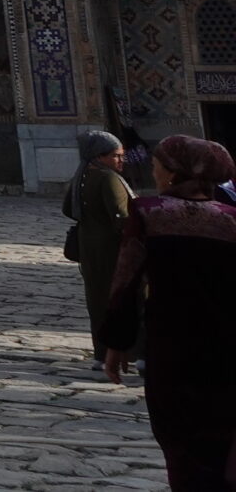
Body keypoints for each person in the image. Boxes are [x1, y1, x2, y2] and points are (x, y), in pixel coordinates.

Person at [102, 134, 236, 492]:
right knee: (222, 444)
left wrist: (117, 343)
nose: (154, 173)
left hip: (172, 352)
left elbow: (124, 284)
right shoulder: (232, 220)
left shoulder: (149, 214)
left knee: (181, 446)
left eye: (156, 167)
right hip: (226, 354)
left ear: (173, 174)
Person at [63, 130, 133, 360]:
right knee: (124, 301)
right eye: (116, 155)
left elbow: (67, 209)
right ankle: (130, 353)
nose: (121, 160)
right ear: (99, 156)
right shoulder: (108, 178)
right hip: (112, 251)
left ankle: (101, 353)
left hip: (89, 250)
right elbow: (121, 217)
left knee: (98, 302)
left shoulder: (80, 176)